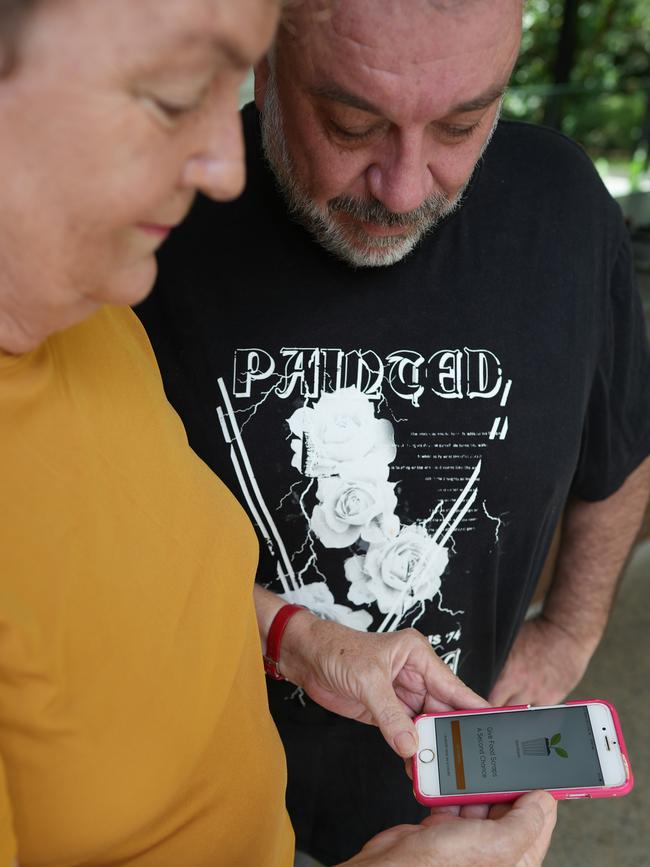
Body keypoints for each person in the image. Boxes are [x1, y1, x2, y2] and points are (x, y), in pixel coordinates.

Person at [0, 0, 559, 865]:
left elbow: (122, 585)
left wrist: (295, 638)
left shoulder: (93, 312)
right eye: (172, 95)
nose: (225, 167)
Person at [137, 0, 650, 863]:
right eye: (351, 123)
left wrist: (567, 630)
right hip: (188, 820)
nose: (407, 187)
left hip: (455, 810)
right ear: (263, 66)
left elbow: (622, 444)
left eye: (462, 123)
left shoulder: (563, 207)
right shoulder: (154, 221)